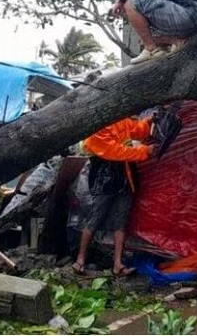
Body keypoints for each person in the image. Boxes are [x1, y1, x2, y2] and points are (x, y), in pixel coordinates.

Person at [71, 115, 157, 277]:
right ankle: (80, 260)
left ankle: (118, 264)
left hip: (125, 178)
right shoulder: (97, 128)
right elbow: (114, 151)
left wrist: (148, 122)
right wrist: (144, 151)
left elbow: (135, 131)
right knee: (95, 218)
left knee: (120, 221)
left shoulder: (119, 120)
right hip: (105, 180)